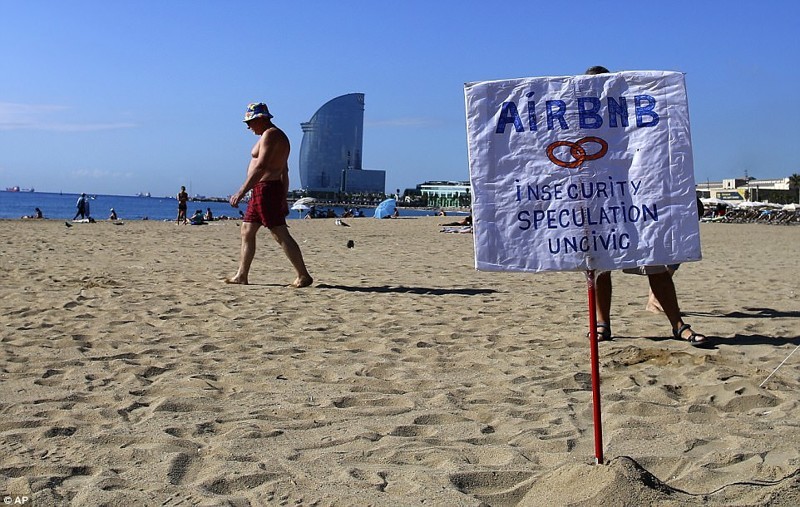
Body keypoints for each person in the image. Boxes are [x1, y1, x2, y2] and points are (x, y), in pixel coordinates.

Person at [585, 65, 708, 347]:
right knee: (600, 268)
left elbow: (654, 148)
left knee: (655, 262)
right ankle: (602, 324)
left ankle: (678, 325)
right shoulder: (581, 120)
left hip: (637, 199)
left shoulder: (630, 115)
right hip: (601, 200)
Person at [225, 102, 313, 288]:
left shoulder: (272, 135)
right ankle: (242, 275)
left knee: (280, 233)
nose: (248, 127)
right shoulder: (270, 135)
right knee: (247, 231)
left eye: (250, 122)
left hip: (266, 189)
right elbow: (285, 171)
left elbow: (262, 166)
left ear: (261, 118)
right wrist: (283, 197)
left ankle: (303, 275)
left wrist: (241, 191)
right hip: (262, 190)